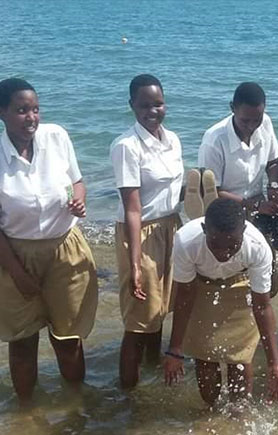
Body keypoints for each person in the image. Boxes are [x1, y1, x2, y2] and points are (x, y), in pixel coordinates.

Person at [0, 78, 98, 402]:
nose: (31, 117)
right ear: (0, 112)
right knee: (23, 341)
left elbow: (77, 181)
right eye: (21, 110)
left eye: (35, 109)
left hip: (65, 248)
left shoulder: (57, 137)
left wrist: (78, 200)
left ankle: (76, 407)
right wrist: (16, 272)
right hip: (13, 253)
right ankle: (25, 415)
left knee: (68, 338)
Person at [163, 198, 278, 406]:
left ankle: (238, 416)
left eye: (232, 246)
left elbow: (262, 306)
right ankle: (210, 416)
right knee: (205, 358)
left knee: (239, 358)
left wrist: (274, 364)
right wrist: (175, 349)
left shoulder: (256, 246)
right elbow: (184, 295)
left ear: (244, 231)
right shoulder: (186, 242)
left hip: (240, 280)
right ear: (204, 229)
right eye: (215, 244)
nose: (223, 253)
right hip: (200, 284)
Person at [112, 74, 184, 389]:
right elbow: (132, 207)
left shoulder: (173, 140)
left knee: (160, 311)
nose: (153, 111)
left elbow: (177, 192)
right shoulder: (126, 146)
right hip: (139, 231)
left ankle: (153, 376)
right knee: (139, 318)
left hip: (172, 228)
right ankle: (127, 394)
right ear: (132, 106)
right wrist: (135, 262)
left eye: (158, 103)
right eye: (144, 105)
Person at [198, 82, 278, 296]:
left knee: (267, 278)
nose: (252, 126)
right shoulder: (214, 139)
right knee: (231, 277)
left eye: (257, 119)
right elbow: (210, 190)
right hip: (225, 216)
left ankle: (256, 323)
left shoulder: (265, 123)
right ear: (232, 108)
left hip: (259, 208)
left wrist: (274, 187)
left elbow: (274, 162)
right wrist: (253, 205)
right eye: (245, 120)